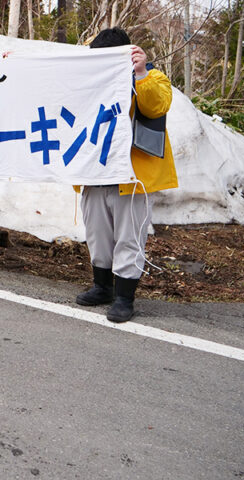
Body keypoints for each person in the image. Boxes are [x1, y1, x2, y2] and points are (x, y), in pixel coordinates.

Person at [75, 28, 178, 323]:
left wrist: (141, 72)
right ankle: (102, 287)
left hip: (133, 176)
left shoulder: (152, 76)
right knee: (97, 235)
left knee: (129, 238)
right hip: (95, 172)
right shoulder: (88, 75)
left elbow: (156, 105)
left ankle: (124, 297)